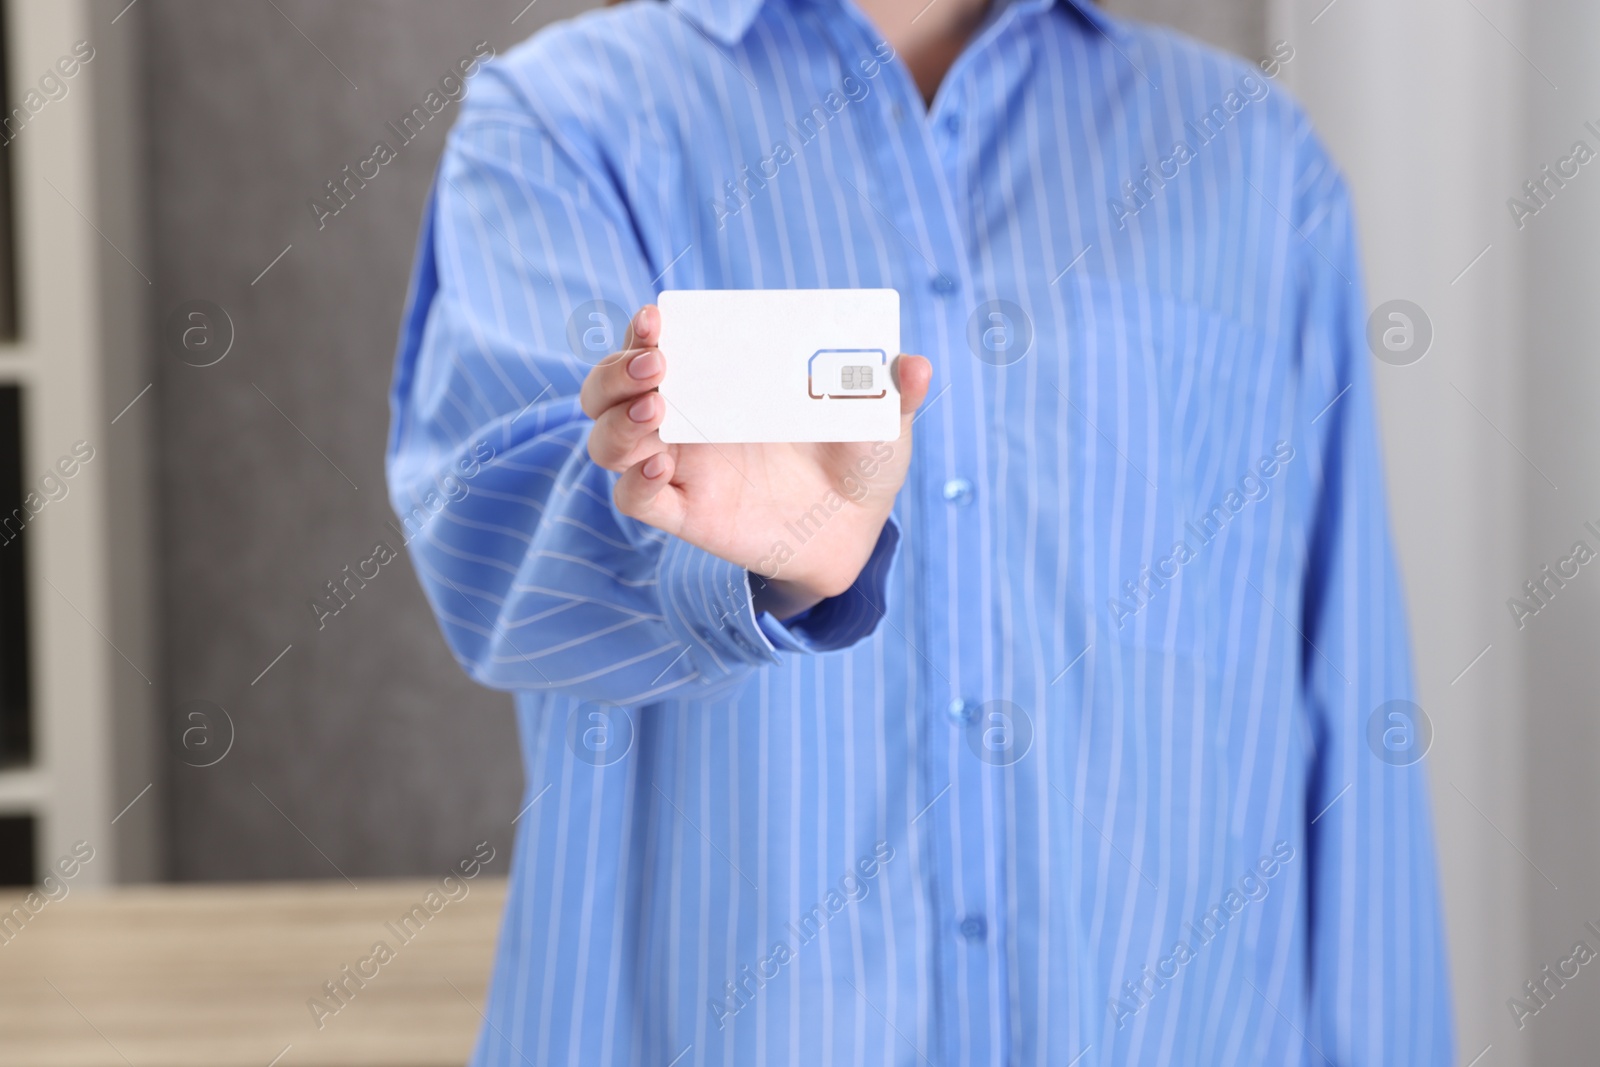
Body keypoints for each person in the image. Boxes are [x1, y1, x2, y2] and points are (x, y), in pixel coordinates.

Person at [385, 0, 1453, 1062]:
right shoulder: (562, 123)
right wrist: (750, 572)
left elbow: (1344, 673)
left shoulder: (1252, 156)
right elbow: (494, 557)